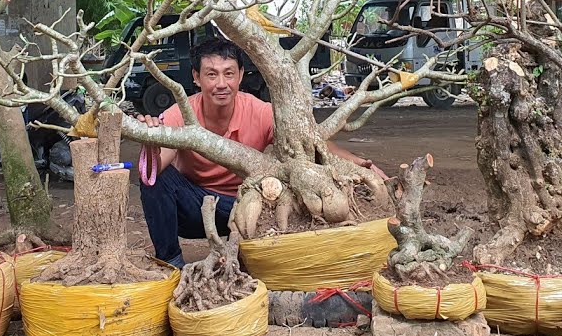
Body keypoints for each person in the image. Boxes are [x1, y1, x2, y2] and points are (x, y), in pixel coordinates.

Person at [136, 38, 383, 268]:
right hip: (197, 209)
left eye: (229, 73)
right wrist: (151, 142)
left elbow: (309, 143)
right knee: (159, 178)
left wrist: (358, 164)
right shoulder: (180, 113)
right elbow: (152, 171)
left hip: (248, 207)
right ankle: (171, 262)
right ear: (196, 78)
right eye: (211, 74)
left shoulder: (260, 111)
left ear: (241, 75)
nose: (221, 84)